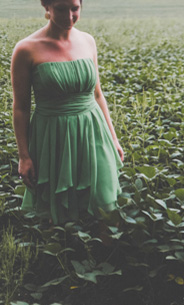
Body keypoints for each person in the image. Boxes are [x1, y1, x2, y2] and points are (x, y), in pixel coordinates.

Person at [11, 0, 124, 225]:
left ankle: (104, 255)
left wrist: (113, 137)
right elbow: (21, 108)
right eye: (61, 9)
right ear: (47, 7)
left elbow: (97, 94)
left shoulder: (88, 41)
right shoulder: (26, 49)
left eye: (75, 8)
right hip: (53, 136)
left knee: (104, 205)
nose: (69, 16)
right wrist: (24, 156)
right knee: (57, 213)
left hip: (93, 131)